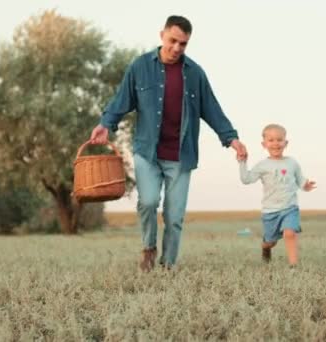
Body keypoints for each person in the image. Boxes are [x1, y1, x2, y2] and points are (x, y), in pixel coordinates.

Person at [89, 15, 247, 271]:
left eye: (183, 44)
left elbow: (212, 109)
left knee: (174, 217)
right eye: (173, 40)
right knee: (148, 202)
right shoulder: (140, 67)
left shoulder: (195, 73)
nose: (176, 48)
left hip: (181, 155)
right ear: (162, 34)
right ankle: (149, 248)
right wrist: (105, 124)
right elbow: (122, 100)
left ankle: (168, 265)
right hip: (147, 152)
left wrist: (232, 138)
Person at [239, 124, 316, 266]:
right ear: (264, 144)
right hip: (270, 211)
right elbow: (246, 179)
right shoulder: (263, 165)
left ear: (286, 143)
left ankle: (294, 267)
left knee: (290, 234)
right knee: (270, 242)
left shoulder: (292, 163)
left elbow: (300, 180)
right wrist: (242, 162)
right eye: (271, 140)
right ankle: (265, 248)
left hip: (290, 207)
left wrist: (306, 185)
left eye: (279, 140)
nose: (275, 143)